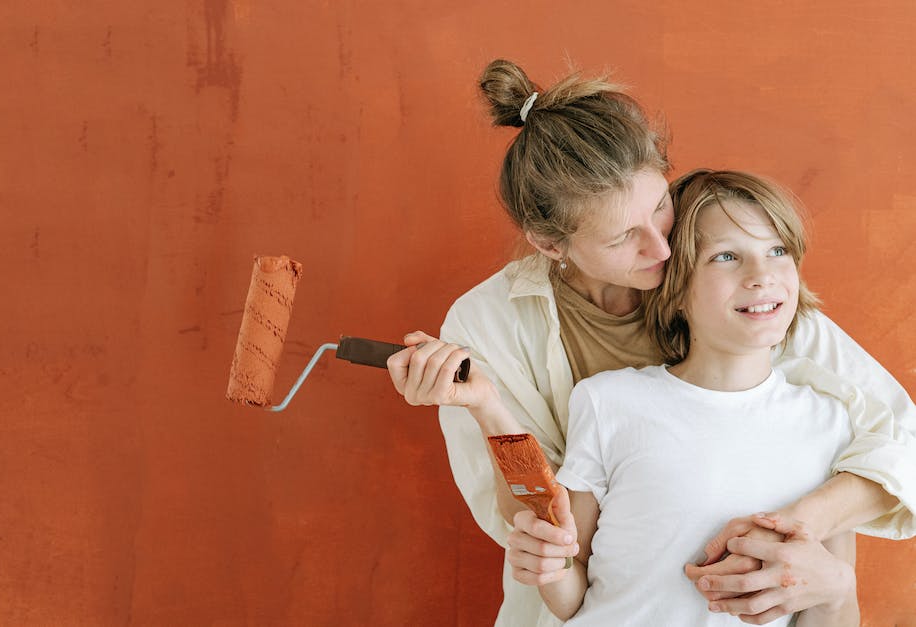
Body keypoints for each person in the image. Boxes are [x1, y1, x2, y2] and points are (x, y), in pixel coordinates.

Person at [386, 59, 916, 626]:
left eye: (659, 205)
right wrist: (488, 409)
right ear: (549, 243)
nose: (664, 250)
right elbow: (543, 537)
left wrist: (803, 529)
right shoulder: (490, 324)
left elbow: (899, 441)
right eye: (622, 237)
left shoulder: (743, 283)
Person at [507, 168, 868, 626]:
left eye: (777, 250)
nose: (761, 275)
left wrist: (837, 591)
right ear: (676, 288)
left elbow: (829, 610)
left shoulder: (830, 423)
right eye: (726, 257)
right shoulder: (607, 402)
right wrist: (546, 563)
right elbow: (572, 587)